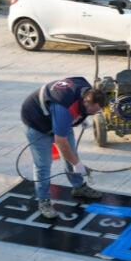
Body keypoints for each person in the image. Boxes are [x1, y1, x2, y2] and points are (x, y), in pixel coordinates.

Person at [20, 77, 107, 218]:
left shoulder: (86, 89)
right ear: (86, 102)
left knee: (71, 155)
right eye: (93, 111)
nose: (94, 114)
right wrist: (78, 164)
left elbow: (81, 109)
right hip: (37, 122)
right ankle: (43, 201)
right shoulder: (64, 107)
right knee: (43, 165)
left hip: (58, 117)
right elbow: (60, 141)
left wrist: (82, 118)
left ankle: (78, 187)